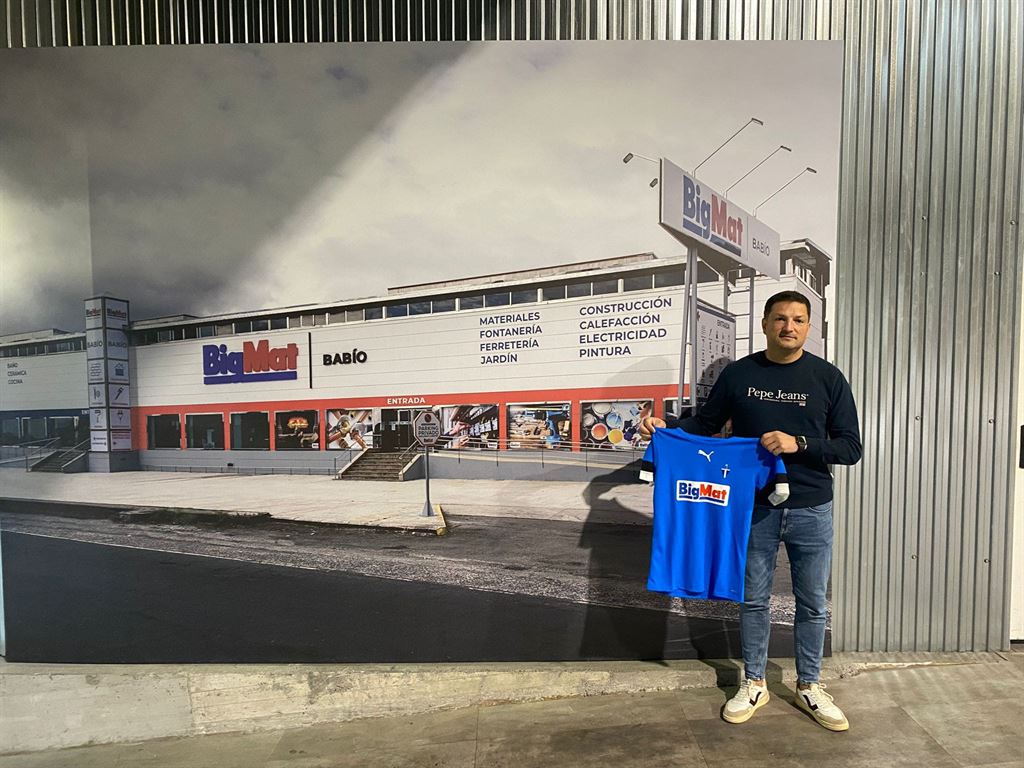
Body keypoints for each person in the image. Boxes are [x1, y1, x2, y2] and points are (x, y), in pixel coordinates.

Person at [639, 290, 861, 732]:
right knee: (755, 600)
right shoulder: (740, 374)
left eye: (798, 319)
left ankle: (810, 685)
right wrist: (668, 428)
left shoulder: (828, 378)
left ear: (808, 327)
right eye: (780, 318)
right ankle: (754, 681)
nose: (789, 327)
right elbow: (705, 424)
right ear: (764, 324)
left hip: (812, 507)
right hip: (752, 509)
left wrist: (800, 444)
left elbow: (850, 447)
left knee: (813, 604)